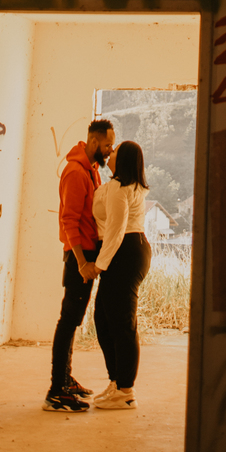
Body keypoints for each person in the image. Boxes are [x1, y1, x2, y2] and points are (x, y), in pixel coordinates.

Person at [43, 116, 114, 413]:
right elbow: (68, 220)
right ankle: (56, 392)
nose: (110, 150)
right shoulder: (75, 172)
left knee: (73, 320)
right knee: (68, 321)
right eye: (107, 145)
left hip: (86, 255)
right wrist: (82, 262)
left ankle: (65, 380)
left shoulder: (91, 170)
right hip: (79, 257)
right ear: (94, 141)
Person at [90, 138, 152, 409]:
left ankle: (126, 391)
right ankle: (117, 382)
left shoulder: (118, 187)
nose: (110, 153)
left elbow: (116, 228)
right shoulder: (128, 186)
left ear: (122, 159)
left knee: (121, 323)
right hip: (133, 249)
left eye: (114, 151)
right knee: (105, 318)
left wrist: (98, 265)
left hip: (124, 251)